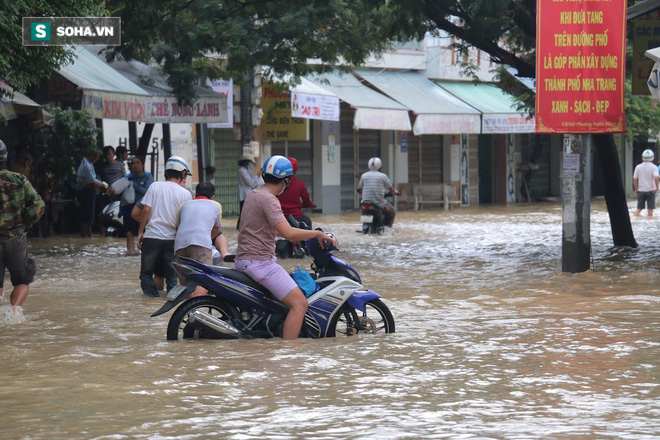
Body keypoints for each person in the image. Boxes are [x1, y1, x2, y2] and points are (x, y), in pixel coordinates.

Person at [234, 155, 339, 340]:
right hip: (260, 263)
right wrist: (317, 234)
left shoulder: (254, 194)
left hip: (245, 259)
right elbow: (288, 233)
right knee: (300, 304)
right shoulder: (269, 199)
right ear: (286, 180)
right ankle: (289, 354)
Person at [0, 140, 45, 317]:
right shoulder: (19, 179)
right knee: (22, 281)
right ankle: (14, 311)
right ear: (5, 158)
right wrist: (24, 226)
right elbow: (39, 207)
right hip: (15, 239)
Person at [137, 156, 193, 298]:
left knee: (146, 274)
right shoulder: (186, 194)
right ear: (183, 173)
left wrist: (140, 232)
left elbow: (145, 210)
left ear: (167, 172)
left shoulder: (154, 186)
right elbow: (185, 220)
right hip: (172, 240)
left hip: (152, 237)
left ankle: (151, 301)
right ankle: (171, 303)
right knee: (172, 277)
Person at [174, 182, 223, 297]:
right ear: (212, 197)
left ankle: (187, 311)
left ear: (195, 195)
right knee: (206, 280)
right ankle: (194, 306)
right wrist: (205, 240)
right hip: (200, 243)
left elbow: (177, 227)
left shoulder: (185, 205)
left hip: (180, 244)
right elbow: (216, 230)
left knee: (185, 282)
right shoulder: (215, 205)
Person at [119, 155, 154, 252]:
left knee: (144, 232)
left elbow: (148, 192)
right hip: (128, 209)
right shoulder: (127, 178)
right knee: (129, 233)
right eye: (133, 163)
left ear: (142, 165)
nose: (135, 165)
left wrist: (134, 185)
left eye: (138, 163)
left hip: (142, 210)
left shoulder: (148, 177)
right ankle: (130, 253)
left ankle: (145, 252)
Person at [357, 157, 400, 228]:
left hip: (365, 204)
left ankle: (364, 226)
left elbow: (360, 189)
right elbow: (392, 190)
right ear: (380, 166)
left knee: (364, 212)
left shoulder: (363, 176)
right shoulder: (383, 176)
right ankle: (388, 229)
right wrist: (395, 192)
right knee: (392, 212)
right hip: (379, 204)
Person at [277, 157, 316, 228]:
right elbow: (307, 201)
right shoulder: (300, 184)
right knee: (307, 221)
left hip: (279, 217)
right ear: (296, 170)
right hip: (296, 216)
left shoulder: (277, 183)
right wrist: (311, 205)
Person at [76, 148, 107, 237]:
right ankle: (87, 236)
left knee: (88, 217)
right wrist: (101, 185)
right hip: (87, 192)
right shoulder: (86, 165)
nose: (97, 159)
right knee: (87, 218)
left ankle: (87, 236)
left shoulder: (88, 164)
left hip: (88, 192)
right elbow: (92, 182)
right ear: (91, 156)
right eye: (96, 157)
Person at [237, 153, 263, 229]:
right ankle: (240, 226)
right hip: (244, 194)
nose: (251, 164)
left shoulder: (246, 171)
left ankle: (241, 225)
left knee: (245, 210)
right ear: (247, 162)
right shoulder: (242, 171)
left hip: (247, 193)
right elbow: (249, 183)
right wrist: (257, 177)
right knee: (243, 211)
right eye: (250, 163)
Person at [633, 149, 659, 217]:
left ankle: (633, 220)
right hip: (651, 191)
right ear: (652, 157)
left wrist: (636, 190)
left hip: (641, 191)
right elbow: (656, 178)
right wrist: (657, 188)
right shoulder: (654, 167)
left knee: (639, 209)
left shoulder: (638, 167)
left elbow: (635, 179)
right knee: (650, 211)